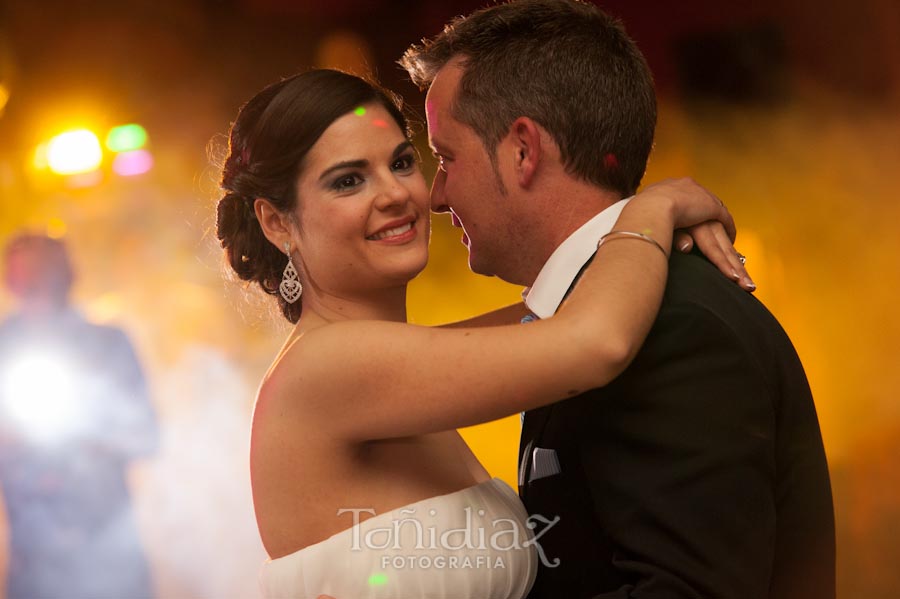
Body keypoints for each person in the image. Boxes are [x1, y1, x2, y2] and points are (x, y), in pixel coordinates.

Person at [215, 66, 747, 599]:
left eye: (402, 163)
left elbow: (560, 309)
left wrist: (647, 233)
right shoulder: (327, 365)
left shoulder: (395, 364)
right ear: (277, 222)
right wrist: (655, 208)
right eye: (349, 180)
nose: (396, 194)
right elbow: (595, 342)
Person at [399, 0, 835, 597]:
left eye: (446, 157)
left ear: (523, 149)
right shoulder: (589, 313)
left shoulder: (674, 326)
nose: (436, 195)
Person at [0, 233, 157, 599]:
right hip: (36, 567)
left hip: (113, 557)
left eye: (46, 275)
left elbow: (147, 435)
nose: (38, 289)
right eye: (27, 279)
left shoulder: (109, 344)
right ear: (11, 283)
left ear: (67, 277)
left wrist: (90, 439)